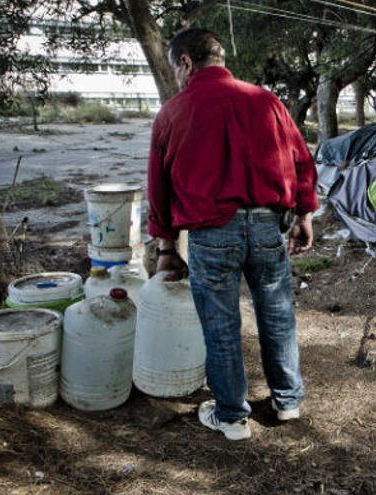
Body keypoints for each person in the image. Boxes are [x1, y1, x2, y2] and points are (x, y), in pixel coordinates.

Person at [146, 28, 317, 441]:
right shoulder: (267, 101)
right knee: (276, 315)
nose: (177, 76)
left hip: (211, 234)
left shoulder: (173, 112)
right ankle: (287, 401)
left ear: (186, 62)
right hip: (265, 226)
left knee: (220, 325)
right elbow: (301, 161)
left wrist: (166, 247)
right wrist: (304, 214)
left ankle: (232, 417)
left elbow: (159, 187)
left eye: (176, 68)